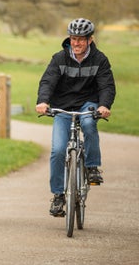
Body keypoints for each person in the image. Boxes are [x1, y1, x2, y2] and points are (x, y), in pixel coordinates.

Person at [35, 18, 116, 217]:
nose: (77, 43)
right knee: (58, 150)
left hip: (88, 103)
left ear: (90, 39)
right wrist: (43, 101)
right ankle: (58, 196)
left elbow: (106, 85)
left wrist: (104, 105)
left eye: (81, 39)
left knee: (89, 124)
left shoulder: (100, 59)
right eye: (73, 39)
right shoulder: (59, 58)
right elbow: (47, 81)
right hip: (62, 107)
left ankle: (92, 167)